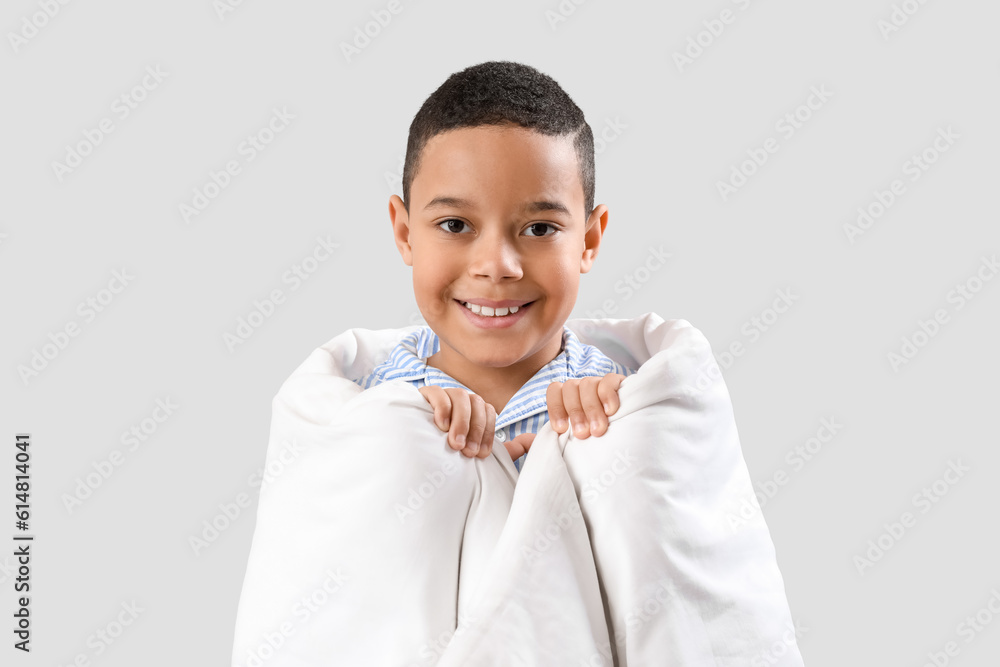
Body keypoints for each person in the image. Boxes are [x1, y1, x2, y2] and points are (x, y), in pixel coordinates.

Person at [353, 60, 634, 472]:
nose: (496, 266)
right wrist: (395, 435)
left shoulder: (634, 402)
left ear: (588, 241)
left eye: (539, 228)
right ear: (405, 233)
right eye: (455, 225)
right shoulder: (356, 410)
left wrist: (622, 441)